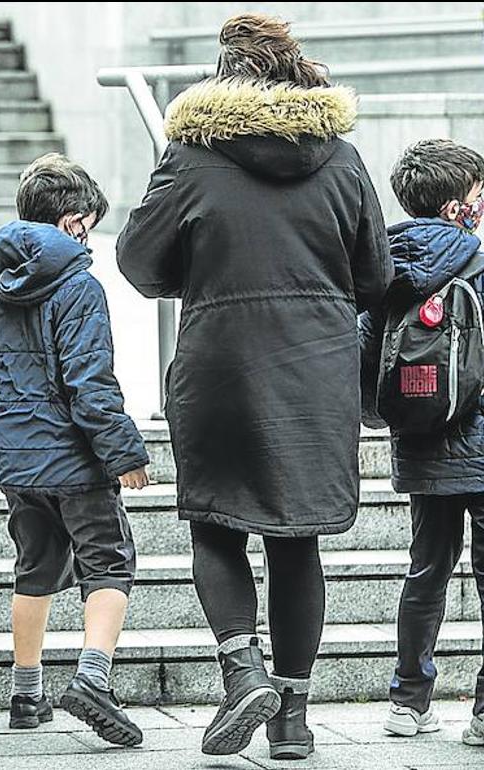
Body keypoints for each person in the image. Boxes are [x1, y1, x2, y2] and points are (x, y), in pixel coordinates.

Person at [115, 13, 391, 760]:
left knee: (217, 524)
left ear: (222, 76)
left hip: (221, 363)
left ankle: (243, 671)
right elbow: (378, 275)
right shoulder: (343, 159)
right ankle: (293, 720)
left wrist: (202, 277)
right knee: (296, 541)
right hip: (317, 367)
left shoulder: (191, 156)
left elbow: (139, 264)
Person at [0, 153, 150, 746]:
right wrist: (124, 454)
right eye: (89, 225)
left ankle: (25, 694)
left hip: (18, 463)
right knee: (108, 562)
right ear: (72, 221)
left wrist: (0, 426)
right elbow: (90, 383)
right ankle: (93, 680)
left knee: (35, 566)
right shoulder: (78, 285)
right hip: (77, 463)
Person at [358, 139, 484, 746]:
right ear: (460, 206)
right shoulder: (480, 264)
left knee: (425, 573)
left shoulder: (387, 268)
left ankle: (408, 702)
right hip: (483, 449)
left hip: (423, 447)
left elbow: (364, 354)